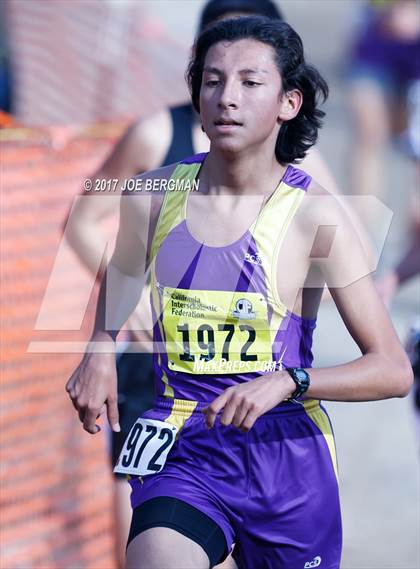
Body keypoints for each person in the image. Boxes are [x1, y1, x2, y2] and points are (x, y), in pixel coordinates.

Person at [66, 15, 413, 568]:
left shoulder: (316, 217)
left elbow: (392, 370)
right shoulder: (150, 195)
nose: (227, 97)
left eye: (250, 83)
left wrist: (290, 381)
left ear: (288, 103)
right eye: (212, 81)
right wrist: (100, 347)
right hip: (184, 448)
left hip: (286, 463)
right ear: (196, 97)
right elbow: (121, 270)